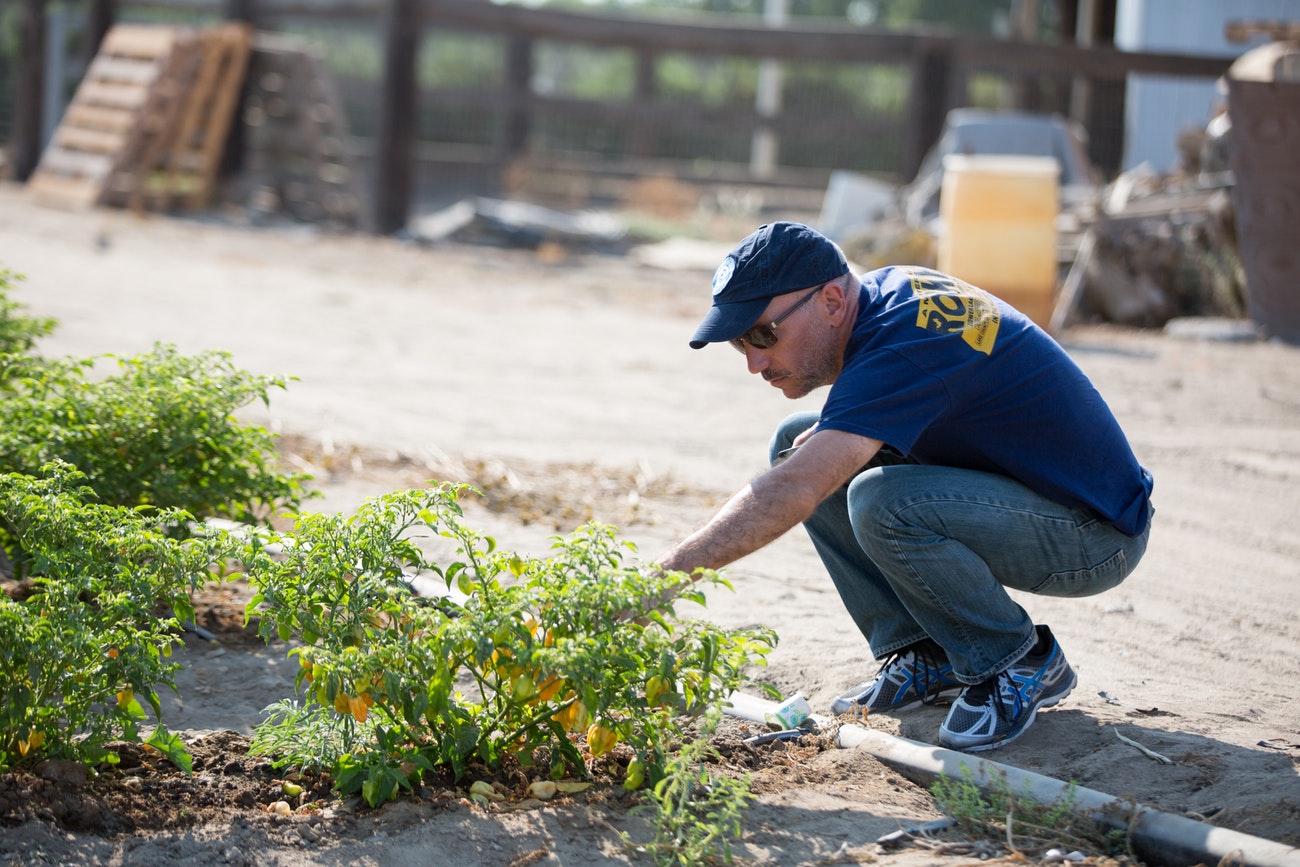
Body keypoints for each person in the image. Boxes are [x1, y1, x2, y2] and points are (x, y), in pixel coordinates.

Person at [656, 221, 1154, 752]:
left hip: (1094, 536)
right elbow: (804, 466)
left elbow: (796, 489)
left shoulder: (902, 343)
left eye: (762, 335)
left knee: (878, 500)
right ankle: (931, 652)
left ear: (829, 300)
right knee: (796, 444)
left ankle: (1018, 658)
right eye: (739, 343)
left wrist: (656, 585)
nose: (754, 362)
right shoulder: (883, 300)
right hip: (1033, 496)